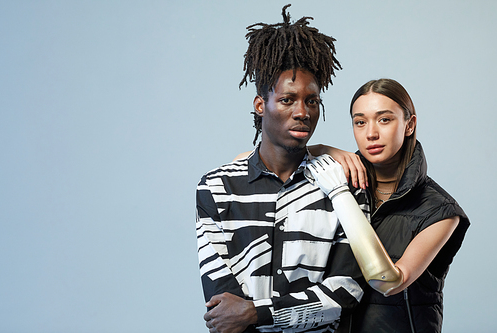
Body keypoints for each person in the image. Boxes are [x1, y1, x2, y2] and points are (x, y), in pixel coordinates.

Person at [196, 5, 369, 333]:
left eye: (312, 101)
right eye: (288, 100)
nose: (302, 111)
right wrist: (251, 314)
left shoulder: (344, 184)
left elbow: (345, 293)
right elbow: (222, 307)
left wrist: (255, 313)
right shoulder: (217, 188)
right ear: (261, 105)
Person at [306, 78, 470, 333]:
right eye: (360, 122)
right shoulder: (335, 178)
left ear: (409, 125)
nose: (371, 133)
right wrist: (324, 150)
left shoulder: (440, 210)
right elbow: (250, 163)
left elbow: (389, 282)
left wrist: (341, 195)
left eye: (384, 119)